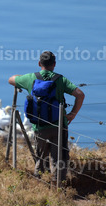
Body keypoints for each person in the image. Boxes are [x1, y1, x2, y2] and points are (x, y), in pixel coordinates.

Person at [8, 51, 85, 183]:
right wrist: (72, 114)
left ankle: (41, 184)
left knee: (41, 158)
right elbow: (80, 94)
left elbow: (11, 79)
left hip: (39, 126)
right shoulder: (60, 79)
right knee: (59, 159)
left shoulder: (30, 78)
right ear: (54, 64)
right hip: (59, 125)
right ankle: (57, 186)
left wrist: (20, 77)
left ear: (39, 63)